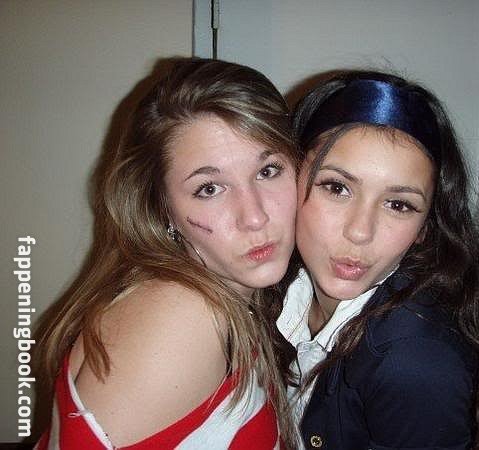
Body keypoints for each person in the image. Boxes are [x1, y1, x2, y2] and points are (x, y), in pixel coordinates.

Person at [34, 57, 299, 449]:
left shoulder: (228, 300)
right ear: (162, 209)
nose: (255, 217)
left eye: (268, 170)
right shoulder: (182, 317)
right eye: (209, 189)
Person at [276, 71, 479, 449]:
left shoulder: (413, 363)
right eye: (337, 187)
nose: (360, 232)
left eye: (398, 204)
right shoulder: (274, 285)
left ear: (425, 227)